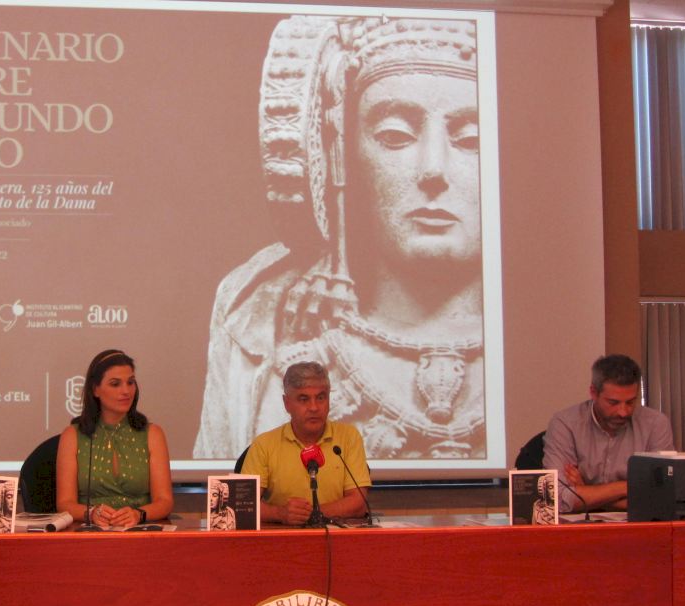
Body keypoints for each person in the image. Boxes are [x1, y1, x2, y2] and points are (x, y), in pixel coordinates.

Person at [195, 15, 486, 462]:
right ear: (342, 153)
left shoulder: (546, 321)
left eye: (470, 139)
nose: (434, 169)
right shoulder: (259, 315)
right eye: (396, 135)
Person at [239, 361, 371, 525]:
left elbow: (358, 504)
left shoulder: (348, 437)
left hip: (336, 535)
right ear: (287, 403)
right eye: (304, 399)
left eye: (321, 398)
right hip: (283, 536)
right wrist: (280, 513)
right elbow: (244, 506)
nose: (314, 407)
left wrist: (312, 514)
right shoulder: (264, 444)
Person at [55, 349, 173, 528]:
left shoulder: (153, 434)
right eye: (115, 384)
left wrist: (138, 514)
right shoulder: (72, 435)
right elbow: (65, 504)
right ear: (95, 389)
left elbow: (164, 501)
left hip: (139, 531)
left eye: (130, 382)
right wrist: (91, 513)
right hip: (92, 532)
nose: (126, 391)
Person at [542, 355, 674, 513]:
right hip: (579, 526)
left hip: (637, 524)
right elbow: (557, 499)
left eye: (630, 402)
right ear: (593, 392)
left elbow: (663, 498)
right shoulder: (565, 423)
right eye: (613, 403)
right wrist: (628, 486)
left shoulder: (655, 423)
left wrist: (587, 492)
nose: (623, 412)